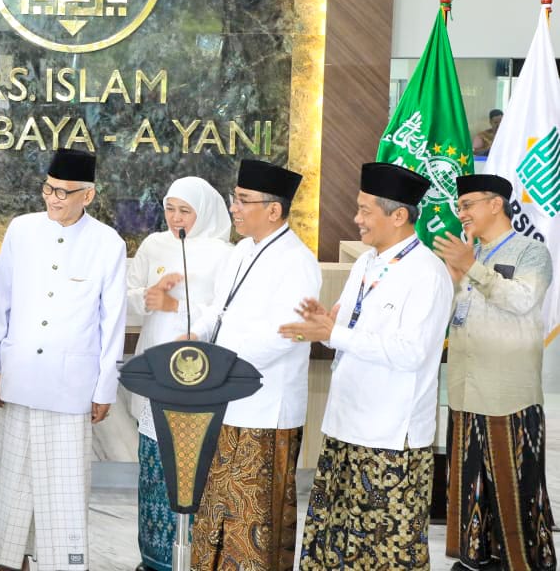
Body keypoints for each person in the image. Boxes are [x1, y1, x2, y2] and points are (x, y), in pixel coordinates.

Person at [282, 162, 453, 570]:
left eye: (364, 210)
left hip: (390, 438)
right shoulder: (366, 263)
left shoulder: (427, 274)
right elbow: (345, 331)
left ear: (398, 215)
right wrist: (323, 328)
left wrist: (335, 333)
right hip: (344, 425)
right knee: (333, 543)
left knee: (384, 550)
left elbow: (411, 352)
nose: (356, 219)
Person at [0, 147, 128, 571]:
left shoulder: (108, 243)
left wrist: (105, 387)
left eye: (64, 192)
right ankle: (10, 560)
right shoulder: (21, 229)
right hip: (21, 374)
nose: (53, 198)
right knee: (15, 479)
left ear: (88, 195)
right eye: (48, 189)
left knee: (63, 488)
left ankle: (63, 563)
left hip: (71, 386)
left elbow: (112, 322)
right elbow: (1, 300)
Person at [188, 159, 322, 571]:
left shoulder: (298, 262)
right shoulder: (242, 250)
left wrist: (223, 361)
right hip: (225, 400)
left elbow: (288, 333)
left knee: (253, 517)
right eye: (235, 198)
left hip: (266, 410)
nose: (234, 207)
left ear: (274, 210)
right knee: (217, 510)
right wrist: (195, 335)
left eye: (243, 200)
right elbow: (219, 308)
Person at [433, 174, 556, 571]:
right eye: (459, 207)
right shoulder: (469, 255)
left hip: (508, 395)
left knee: (513, 485)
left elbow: (521, 300)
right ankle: (475, 559)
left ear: (495, 204)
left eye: (467, 205)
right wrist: (455, 282)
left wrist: (472, 268)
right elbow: (450, 318)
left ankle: (521, 562)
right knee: (470, 484)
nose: (461, 214)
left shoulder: (532, 252)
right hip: (465, 390)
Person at [127, 176, 233, 571]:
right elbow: (127, 297)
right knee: (154, 470)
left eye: (184, 210)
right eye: (170, 209)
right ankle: (154, 560)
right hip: (155, 372)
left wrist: (179, 306)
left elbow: (223, 312)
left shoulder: (225, 254)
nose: (175, 218)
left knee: (194, 473)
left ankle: (195, 559)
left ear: (203, 212)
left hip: (200, 382)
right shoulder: (154, 245)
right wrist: (150, 296)